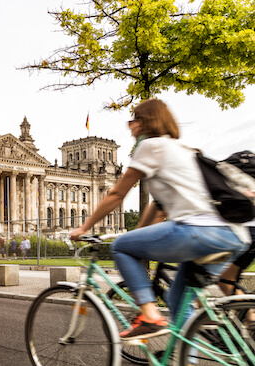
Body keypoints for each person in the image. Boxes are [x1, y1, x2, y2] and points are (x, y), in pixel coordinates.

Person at [70, 99, 249, 341]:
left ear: (146, 122)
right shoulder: (186, 150)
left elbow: (116, 194)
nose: (130, 125)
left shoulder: (150, 146)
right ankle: (187, 357)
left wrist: (84, 227)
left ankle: (149, 316)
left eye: (134, 119)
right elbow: (160, 204)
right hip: (233, 235)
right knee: (178, 300)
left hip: (197, 231)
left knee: (121, 246)